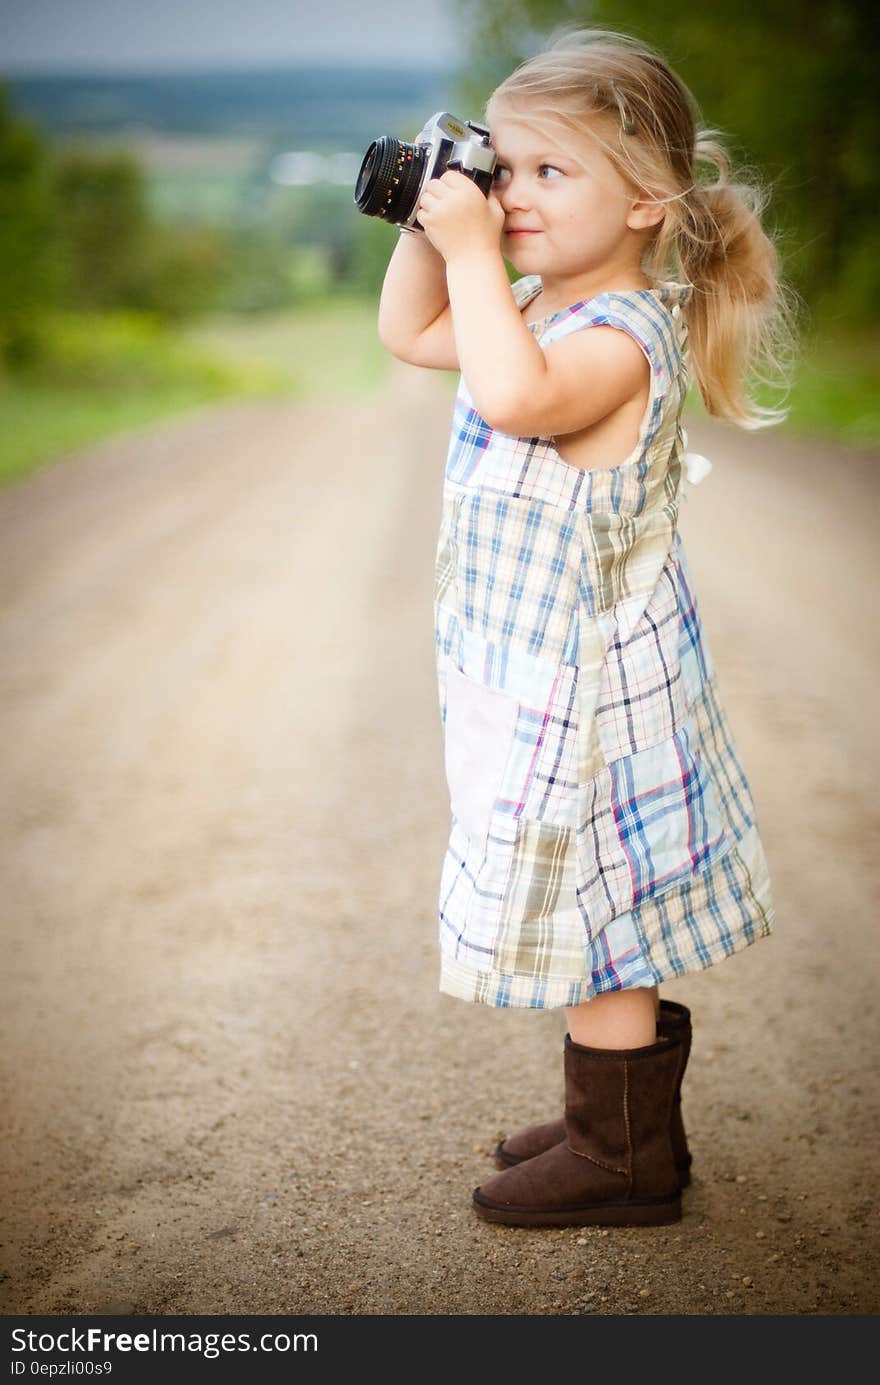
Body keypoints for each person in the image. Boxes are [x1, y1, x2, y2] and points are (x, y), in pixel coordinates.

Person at [377, 26, 797, 1228]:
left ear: (647, 202)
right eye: (499, 168)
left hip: (598, 689)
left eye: (549, 173)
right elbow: (413, 339)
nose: (509, 197)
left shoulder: (617, 337)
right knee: (579, 888)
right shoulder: (537, 307)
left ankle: (624, 1160)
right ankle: (616, 1116)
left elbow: (510, 398)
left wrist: (467, 247)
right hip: (534, 671)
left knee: (598, 905)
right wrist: (428, 227)